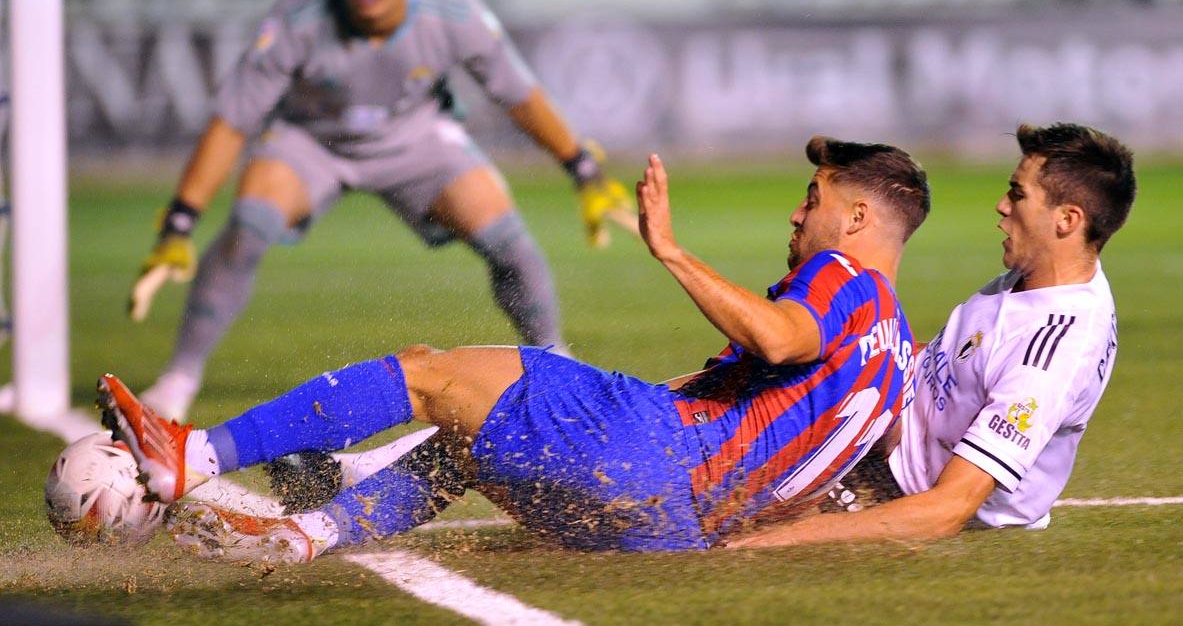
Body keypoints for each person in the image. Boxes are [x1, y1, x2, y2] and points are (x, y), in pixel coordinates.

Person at [98, 137, 931, 563]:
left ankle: (193, 451)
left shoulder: (846, 277)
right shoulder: (895, 358)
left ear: (857, 220)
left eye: (813, 198)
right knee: (471, 443)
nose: (796, 214)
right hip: (669, 530)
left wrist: (670, 250)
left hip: (659, 457)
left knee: (431, 373)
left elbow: (780, 332)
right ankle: (304, 534)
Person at [129, 0, 632, 420]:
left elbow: (519, 94)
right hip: (312, 140)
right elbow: (232, 122)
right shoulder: (296, 19)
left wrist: (583, 170)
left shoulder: (452, 13)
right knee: (249, 222)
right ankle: (177, 382)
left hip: (415, 140)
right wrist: (179, 223)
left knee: (509, 240)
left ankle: (558, 370)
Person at [729, 122, 1136, 548]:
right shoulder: (1039, 279)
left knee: (723, 524)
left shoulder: (1050, 356)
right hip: (879, 439)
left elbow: (946, 510)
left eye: (1017, 194)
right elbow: (958, 365)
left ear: (1067, 220)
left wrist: (780, 539)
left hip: (895, 488)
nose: (1001, 205)